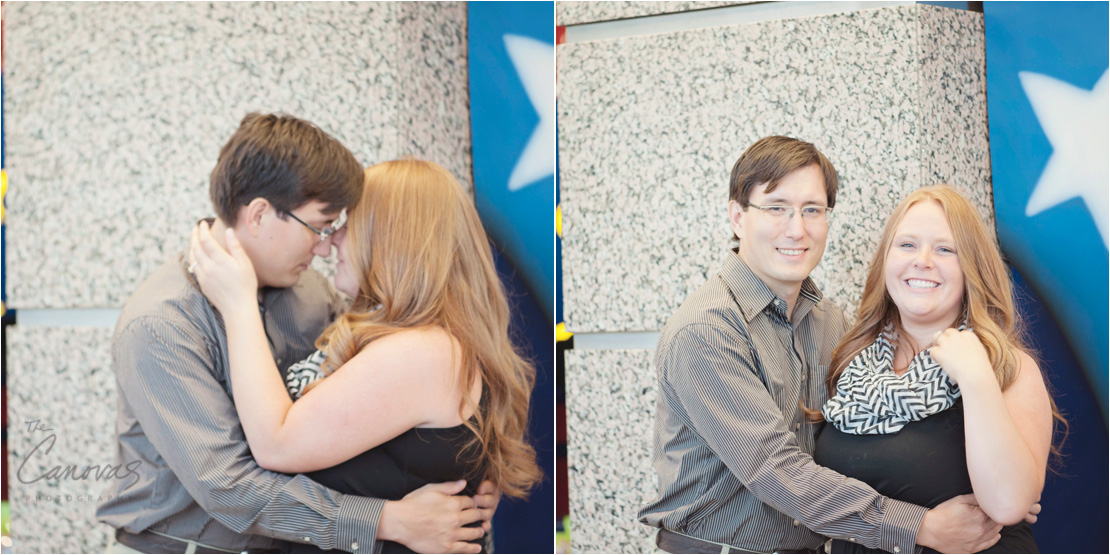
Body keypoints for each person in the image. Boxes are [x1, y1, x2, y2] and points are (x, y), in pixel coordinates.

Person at [97, 114, 498, 555]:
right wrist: (386, 521)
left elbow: (374, 406)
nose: (326, 247)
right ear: (260, 215)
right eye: (319, 226)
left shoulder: (311, 291)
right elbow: (231, 487)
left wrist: (460, 473)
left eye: (335, 230)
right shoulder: (162, 325)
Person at [638, 136, 1033, 554]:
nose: (797, 228)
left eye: (813, 210)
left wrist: (1004, 489)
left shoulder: (832, 325)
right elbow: (774, 470)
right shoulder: (706, 331)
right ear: (738, 217)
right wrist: (920, 526)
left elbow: (868, 436)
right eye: (776, 208)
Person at [188, 158, 542, 554]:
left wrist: (238, 304)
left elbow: (276, 444)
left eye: (347, 224)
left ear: (391, 238)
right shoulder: (423, 343)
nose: (329, 242)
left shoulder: (423, 353)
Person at [813, 185, 1060, 553]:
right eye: (907, 245)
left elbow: (1009, 503)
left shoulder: (1005, 367)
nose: (923, 260)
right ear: (886, 261)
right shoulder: (849, 364)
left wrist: (975, 377)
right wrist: (916, 526)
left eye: (945, 249)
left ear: (970, 268)